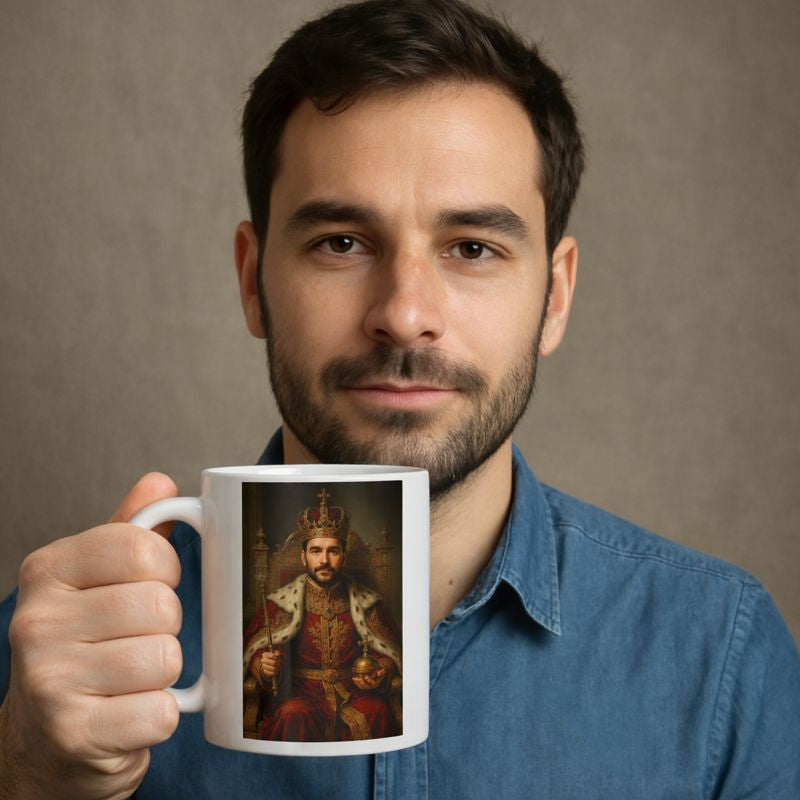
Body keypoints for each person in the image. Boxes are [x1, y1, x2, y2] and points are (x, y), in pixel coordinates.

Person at [1, 0, 799, 797]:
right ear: (253, 281)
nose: (405, 314)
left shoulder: (720, 657)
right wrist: (32, 777)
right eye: (342, 243)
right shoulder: (47, 672)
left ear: (555, 297)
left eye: (472, 248)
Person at [243, 488, 402, 742]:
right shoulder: (280, 604)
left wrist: (381, 670)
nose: (324, 560)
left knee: (378, 713)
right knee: (293, 714)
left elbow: (387, 652)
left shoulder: (368, 603)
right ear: (303, 557)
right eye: (316, 551)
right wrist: (264, 665)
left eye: (333, 551)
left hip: (354, 691)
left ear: (344, 556)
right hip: (302, 693)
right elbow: (258, 650)